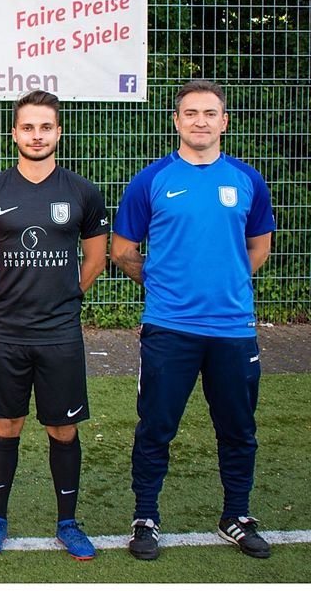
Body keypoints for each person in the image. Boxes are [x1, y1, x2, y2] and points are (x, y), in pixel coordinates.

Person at [111, 80, 276, 560]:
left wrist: (222, 278)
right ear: (177, 121)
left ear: (224, 121)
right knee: (156, 426)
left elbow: (258, 246)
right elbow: (122, 250)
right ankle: (145, 516)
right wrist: (164, 281)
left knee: (238, 428)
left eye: (210, 113)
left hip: (232, 328)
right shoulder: (151, 180)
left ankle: (237, 516)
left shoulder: (247, 179)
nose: (200, 120)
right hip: (169, 327)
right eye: (190, 113)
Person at [0, 90, 108, 560]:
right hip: (6, 331)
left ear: (58, 133)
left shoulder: (82, 191)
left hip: (60, 332)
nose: (37, 135)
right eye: (28, 127)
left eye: (46, 127)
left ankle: (67, 522)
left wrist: (65, 295)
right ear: (15, 133)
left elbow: (96, 257)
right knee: (6, 423)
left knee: (62, 429)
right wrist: (9, 292)